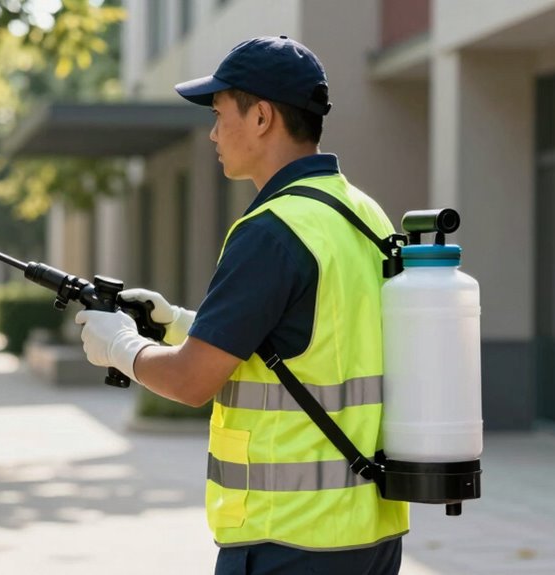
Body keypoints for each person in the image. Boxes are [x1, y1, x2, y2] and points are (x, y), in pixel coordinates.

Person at [75, 36, 409, 574]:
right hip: (370, 534)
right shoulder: (363, 213)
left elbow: (191, 381)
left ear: (260, 117)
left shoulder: (271, 230)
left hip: (288, 541)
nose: (211, 132)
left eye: (218, 112)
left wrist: (120, 346)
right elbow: (318, 343)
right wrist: (180, 324)